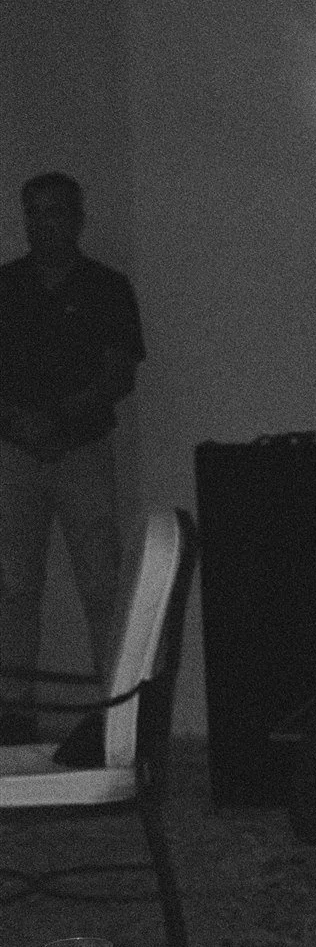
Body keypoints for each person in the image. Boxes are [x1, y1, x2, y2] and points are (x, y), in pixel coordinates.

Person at [0, 173, 145, 727]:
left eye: (57, 211)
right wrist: (20, 421)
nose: (46, 223)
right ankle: (13, 717)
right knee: (13, 589)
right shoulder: (5, 286)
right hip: (13, 452)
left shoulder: (107, 287)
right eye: (36, 212)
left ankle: (115, 716)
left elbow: (120, 372)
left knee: (103, 585)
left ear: (78, 219)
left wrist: (59, 419)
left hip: (82, 450)